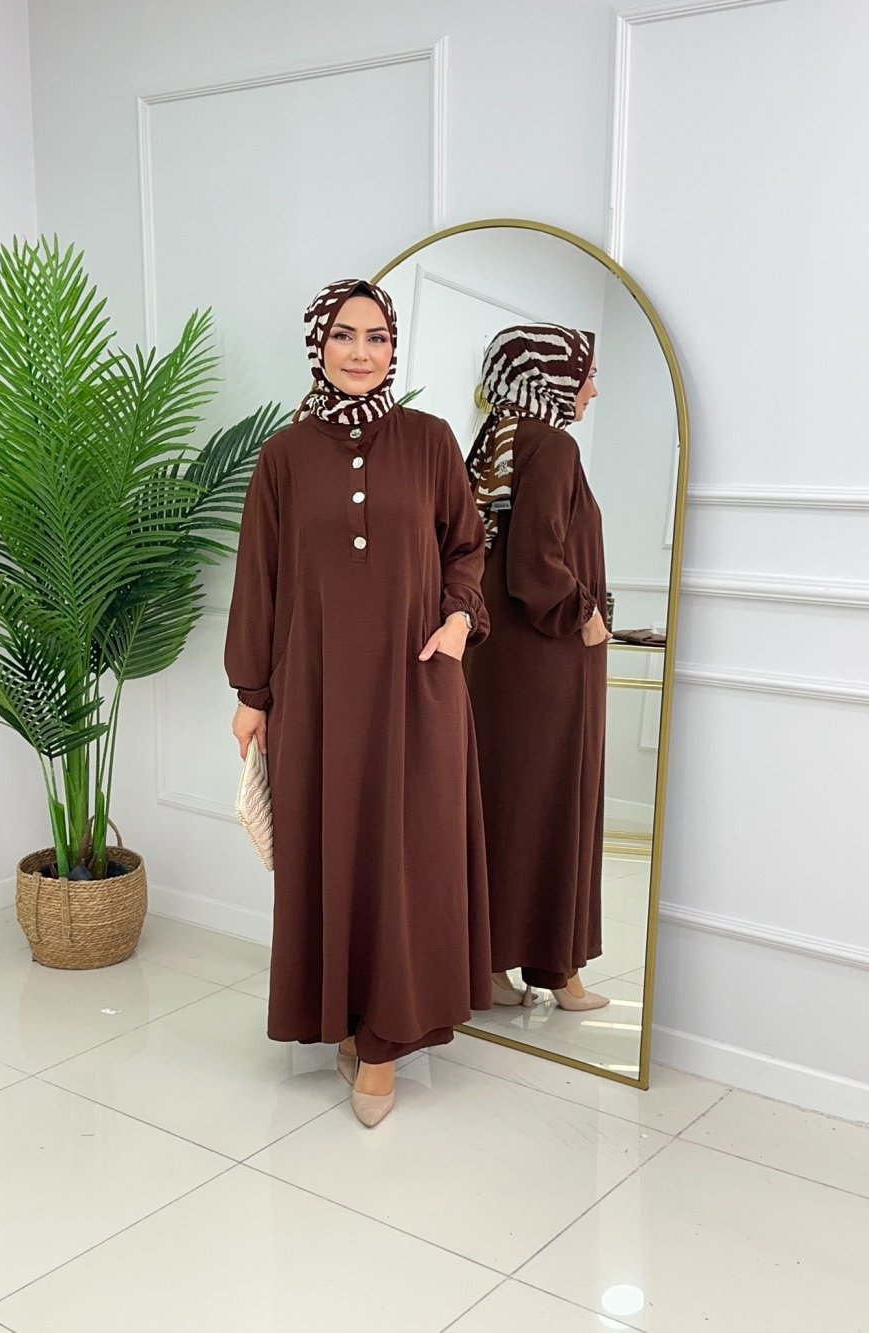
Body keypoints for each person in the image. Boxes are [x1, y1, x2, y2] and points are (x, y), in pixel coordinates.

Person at [225, 278, 492, 1127]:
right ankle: (343, 1016)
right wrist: (253, 693)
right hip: (314, 695)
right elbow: (259, 577)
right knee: (331, 851)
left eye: (377, 337)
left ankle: (383, 1042)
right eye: (345, 335)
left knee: (405, 856)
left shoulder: (430, 440)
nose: (362, 352)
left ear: (393, 348)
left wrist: (459, 619)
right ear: (319, 344)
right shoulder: (283, 456)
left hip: (417, 686)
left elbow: (468, 544)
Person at [463, 323, 611, 1013]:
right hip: (547, 661)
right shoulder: (552, 445)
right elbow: (535, 565)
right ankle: (559, 971)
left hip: (496, 663)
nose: (592, 390)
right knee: (551, 806)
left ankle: (492, 966)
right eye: (585, 374)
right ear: (549, 378)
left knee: (506, 806)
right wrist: (586, 613)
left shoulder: (495, 440)